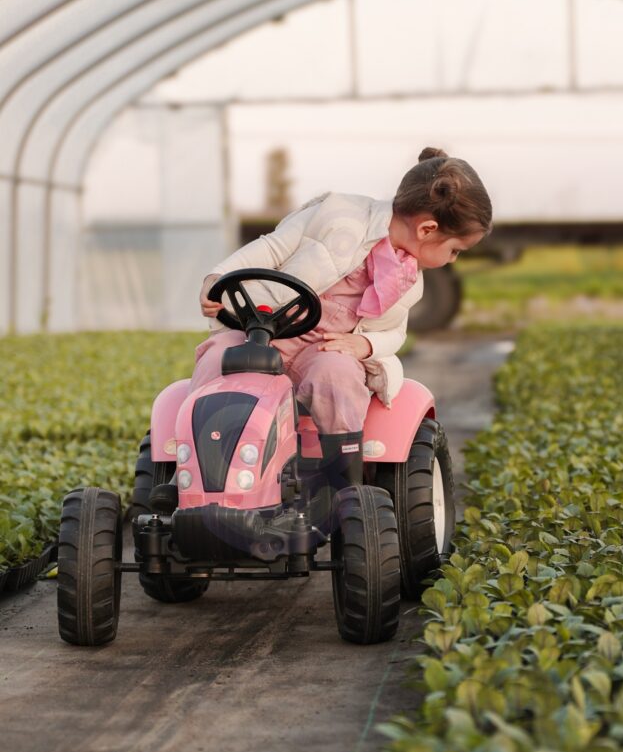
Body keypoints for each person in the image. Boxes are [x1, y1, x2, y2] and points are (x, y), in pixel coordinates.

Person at [152, 147, 492, 520]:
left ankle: (342, 484)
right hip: (265, 331)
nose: (453, 259)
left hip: (326, 348)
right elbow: (271, 247)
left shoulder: (408, 282)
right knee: (220, 358)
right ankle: (196, 474)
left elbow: (393, 333)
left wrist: (363, 343)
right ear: (427, 229)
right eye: (455, 251)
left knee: (337, 376)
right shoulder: (337, 214)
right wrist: (218, 276)